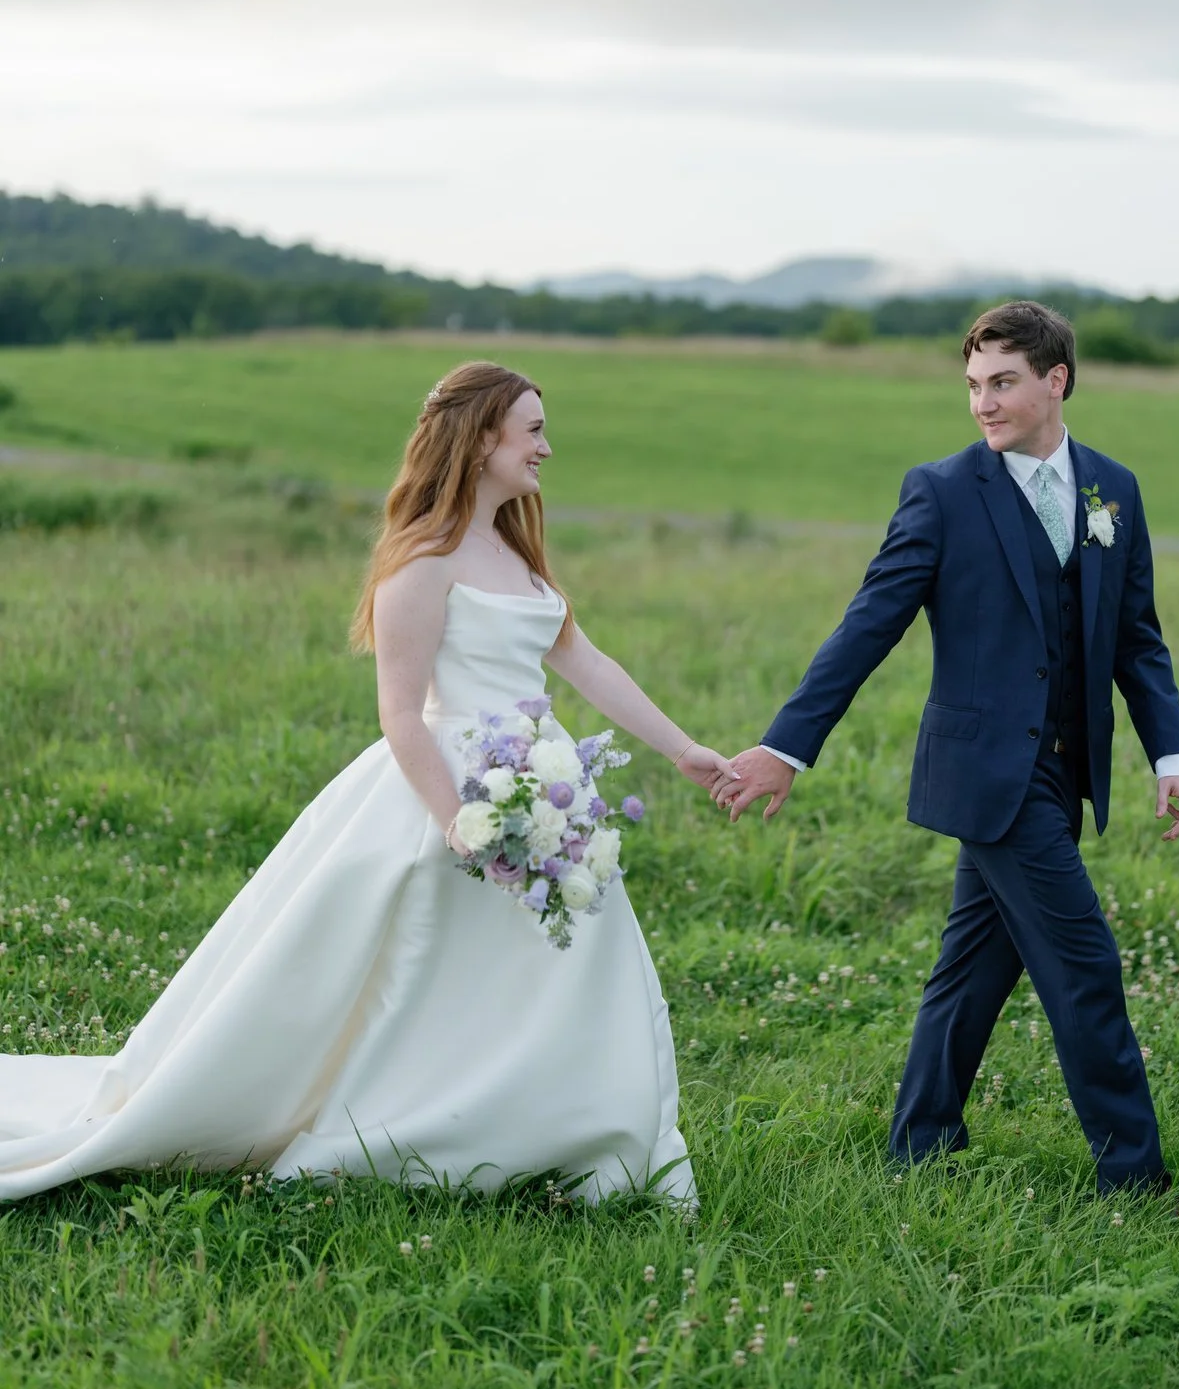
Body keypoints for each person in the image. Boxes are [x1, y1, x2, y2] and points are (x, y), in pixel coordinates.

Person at [0, 362, 734, 1204]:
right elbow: (400, 714)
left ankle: (566, 1127)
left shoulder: (516, 553)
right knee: (416, 965)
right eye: (532, 431)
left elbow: (585, 661)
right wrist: (457, 819)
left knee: (570, 956)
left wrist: (686, 752)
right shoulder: (420, 563)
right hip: (449, 787)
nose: (546, 447)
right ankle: (415, 1123)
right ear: (481, 437)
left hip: (541, 785)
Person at [718, 302, 1179, 1194]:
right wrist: (786, 748)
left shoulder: (1111, 491)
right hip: (989, 772)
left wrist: (1171, 756)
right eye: (973, 385)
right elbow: (869, 625)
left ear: (1055, 381)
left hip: (1065, 770)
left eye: (1002, 382)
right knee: (1085, 962)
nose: (982, 402)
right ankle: (1134, 1177)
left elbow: (1137, 638)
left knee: (973, 966)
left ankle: (920, 1140)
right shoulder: (940, 492)